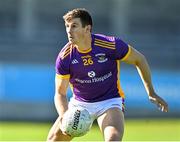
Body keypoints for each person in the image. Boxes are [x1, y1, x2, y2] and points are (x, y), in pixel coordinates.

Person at [47, 8, 168, 141]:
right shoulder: (65, 57)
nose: (69, 31)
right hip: (80, 104)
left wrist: (151, 92)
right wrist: (65, 116)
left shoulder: (110, 45)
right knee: (53, 140)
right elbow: (60, 93)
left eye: (74, 26)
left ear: (87, 29)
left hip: (109, 102)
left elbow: (139, 60)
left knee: (113, 139)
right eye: (67, 26)